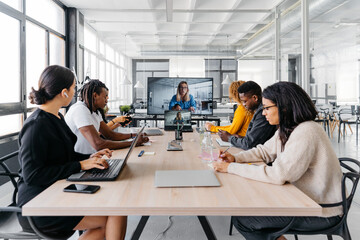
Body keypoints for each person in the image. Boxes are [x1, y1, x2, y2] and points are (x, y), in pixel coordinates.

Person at [213, 82, 343, 240]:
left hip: (322, 211)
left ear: (284, 107)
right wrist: (235, 158)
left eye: (267, 108)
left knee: (245, 220)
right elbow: (264, 151)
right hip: (303, 200)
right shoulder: (288, 128)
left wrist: (231, 167)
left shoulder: (307, 131)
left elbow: (278, 175)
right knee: (247, 209)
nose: (263, 113)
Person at [17, 65, 127, 239]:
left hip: (59, 191)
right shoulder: (36, 126)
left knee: (116, 211)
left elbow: (65, 156)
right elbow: (33, 175)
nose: (75, 91)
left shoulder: (57, 118)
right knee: (113, 215)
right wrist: (81, 164)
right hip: (38, 204)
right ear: (64, 92)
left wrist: (90, 158)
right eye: (74, 87)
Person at [65, 80, 149, 154]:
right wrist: (133, 143)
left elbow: (110, 135)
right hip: (80, 163)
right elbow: (98, 144)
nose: (107, 100)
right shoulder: (80, 110)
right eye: (105, 96)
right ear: (95, 96)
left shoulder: (95, 111)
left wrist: (134, 135)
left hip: (92, 158)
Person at [218, 81, 276, 150]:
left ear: (255, 98)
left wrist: (229, 138)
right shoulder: (258, 111)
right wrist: (241, 138)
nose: (243, 104)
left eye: (245, 101)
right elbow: (254, 139)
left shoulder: (262, 113)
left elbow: (249, 144)